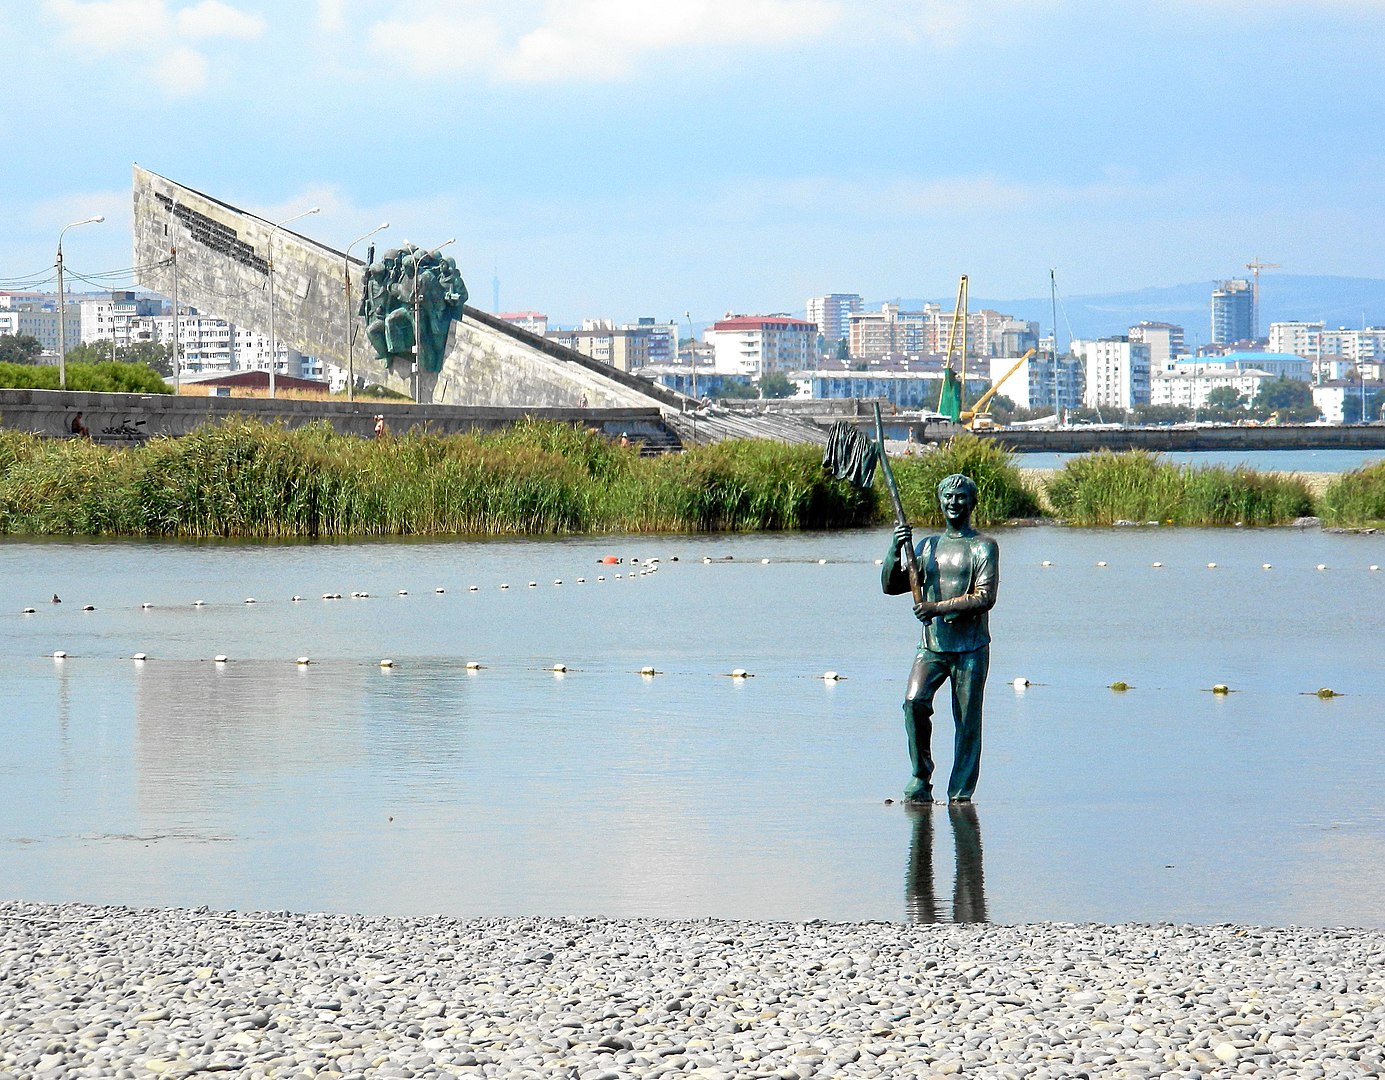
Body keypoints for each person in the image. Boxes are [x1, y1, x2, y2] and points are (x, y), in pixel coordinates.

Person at [882, 473, 999, 804]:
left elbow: (984, 597)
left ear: (972, 503)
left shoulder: (983, 547)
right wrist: (894, 550)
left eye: (961, 497)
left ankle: (960, 795)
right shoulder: (928, 546)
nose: (953, 502)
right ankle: (921, 775)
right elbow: (891, 586)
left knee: (966, 722)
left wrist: (936, 607)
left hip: (970, 648)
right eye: (948, 496)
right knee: (913, 702)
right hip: (932, 646)